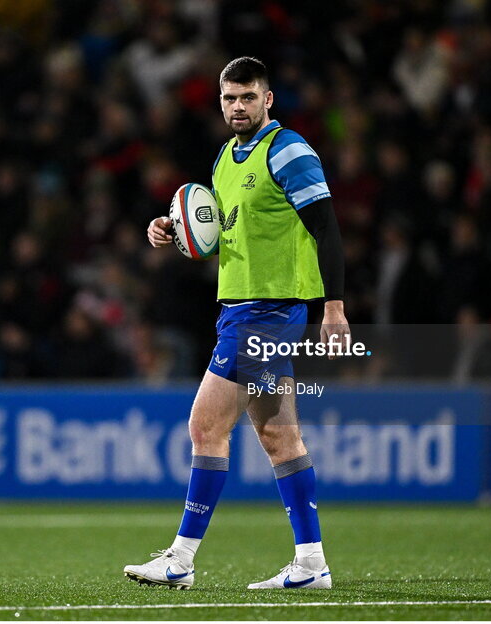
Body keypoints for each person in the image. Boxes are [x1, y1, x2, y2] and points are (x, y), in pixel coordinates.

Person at [126, 57, 347, 590]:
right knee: (279, 436)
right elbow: (222, 236)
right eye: (229, 98)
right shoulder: (226, 157)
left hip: (268, 313)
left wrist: (334, 309)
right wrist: (171, 230)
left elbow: (327, 229)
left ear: (268, 99)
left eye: (248, 97)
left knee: (205, 426)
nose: (238, 107)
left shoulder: (288, 149)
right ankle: (312, 563)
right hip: (242, 310)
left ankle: (180, 558)